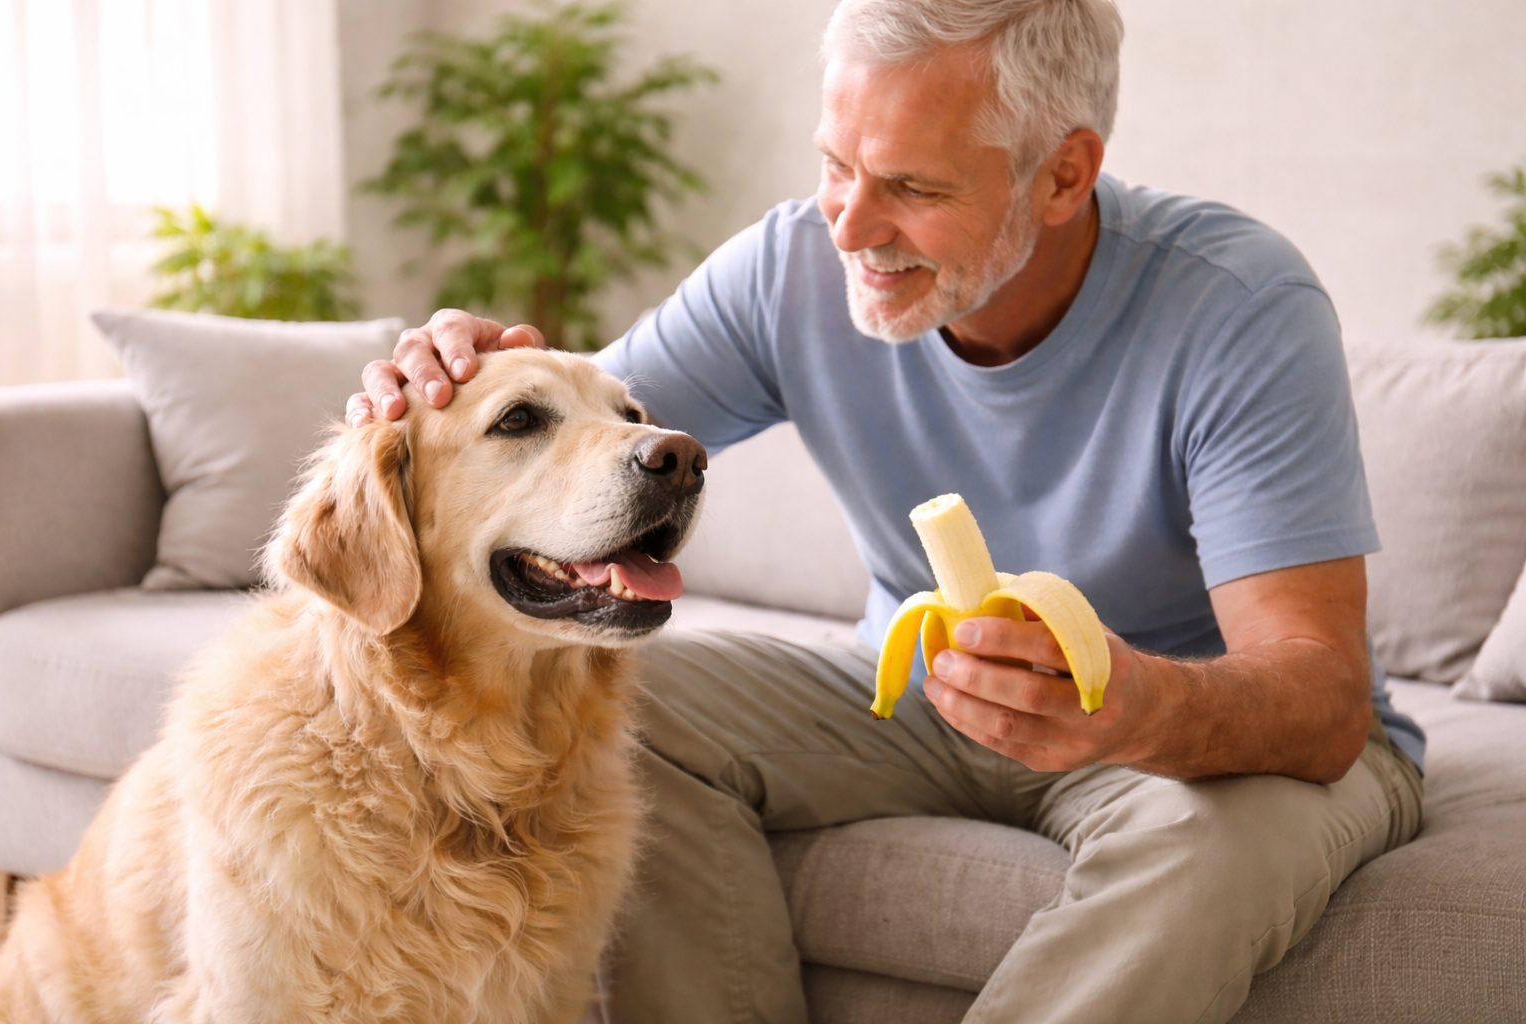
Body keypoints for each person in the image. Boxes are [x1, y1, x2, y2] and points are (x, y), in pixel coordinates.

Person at [350, 1, 1424, 1020]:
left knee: (1217, 847)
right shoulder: (788, 269)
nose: (852, 225)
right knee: (623, 695)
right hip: (910, 692)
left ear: (1063, 175)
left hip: (1180, 728)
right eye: (834, 165)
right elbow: (580, 463)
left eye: (911, 185)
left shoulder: (1236, 309)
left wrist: (1134, 706)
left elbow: (1323, 702)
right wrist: (470, 377)